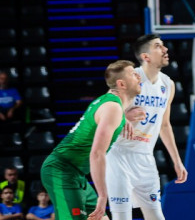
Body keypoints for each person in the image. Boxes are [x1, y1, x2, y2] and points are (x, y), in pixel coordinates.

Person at [40, 60, 142, 220]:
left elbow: (98, 124)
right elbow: (97, 153)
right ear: (121, 84)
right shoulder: (112, 107)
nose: (139, 76)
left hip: (76, 174)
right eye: (133, 74)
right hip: (61, 170)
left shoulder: (110, 104)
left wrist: (124, 118)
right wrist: (102, 196)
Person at [105, 34, 188, 220]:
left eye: (164, 45)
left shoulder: (168, 84)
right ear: (146, 56)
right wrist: (123, 116)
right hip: (119, 154)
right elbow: (105, 108)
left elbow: (164, 125)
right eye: (158, 46)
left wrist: (176, 160)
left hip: (145, 157)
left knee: (157, 216)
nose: (165, 49)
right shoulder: (130, 77)